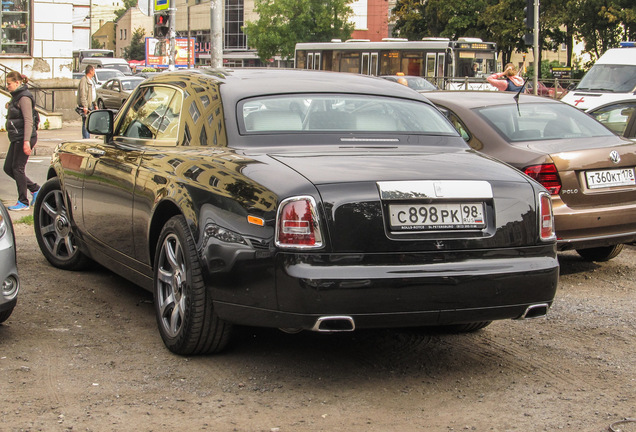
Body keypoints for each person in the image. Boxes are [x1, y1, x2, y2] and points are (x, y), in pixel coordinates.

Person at [3, 71, 40, 211]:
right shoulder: (16, 96)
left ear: (17, 83)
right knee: (8, 168)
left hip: (24, 137)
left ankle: (23, 202)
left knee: (18, 168)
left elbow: (28, 120)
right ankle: (35, 189)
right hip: (16, 137)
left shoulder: (24, 97)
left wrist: (26, 141)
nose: (7, 86)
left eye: (9, 83)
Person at [77, 64, 97, 139]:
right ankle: (86, 138)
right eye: (94, 70)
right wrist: (85, 106)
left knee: (89, 123)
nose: (94, 72)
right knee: (86, 122)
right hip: (86, 105)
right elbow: (83, 94)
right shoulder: (84, 80)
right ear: (90, 71)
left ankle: (87, 137)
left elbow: (93, 92)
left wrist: (95, 104)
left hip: (90, 104)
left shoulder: (91, 80)